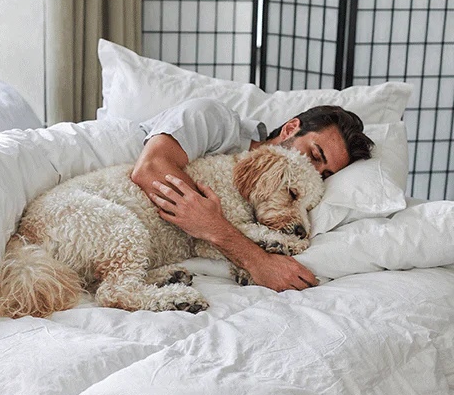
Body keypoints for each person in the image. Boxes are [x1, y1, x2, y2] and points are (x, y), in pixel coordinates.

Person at [130, 98, 374, 292]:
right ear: (290, 129)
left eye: (324, 174)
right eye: (314, 154)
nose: (312, 170)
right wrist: (256, 260)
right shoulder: (216, 120)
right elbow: (150, 170)